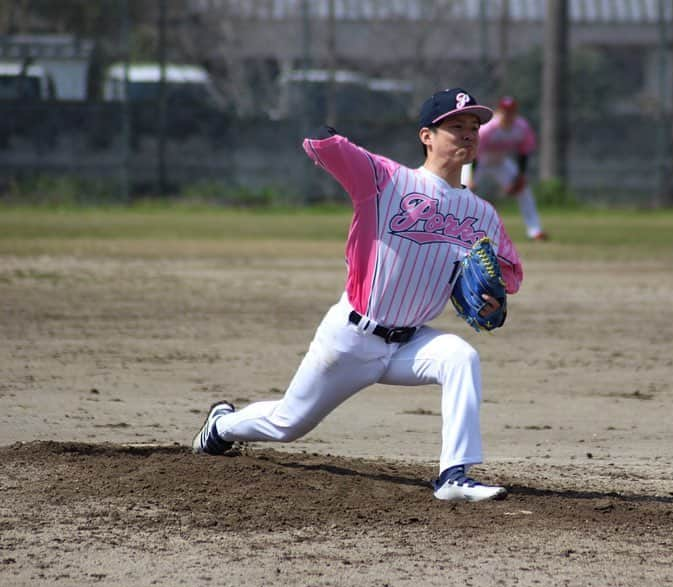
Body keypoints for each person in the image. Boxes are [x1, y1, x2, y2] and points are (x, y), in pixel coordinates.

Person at [192, 88, 524, 503]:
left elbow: (508, 275)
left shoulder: (483, 214)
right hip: (351, 339)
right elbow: (320, 144)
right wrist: (322, 124)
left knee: (461, 357)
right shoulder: (385, 179)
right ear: (427, 136)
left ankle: (453, 476)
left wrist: (494, 299)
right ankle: (222, 426)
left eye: (474, 127)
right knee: (287, 424)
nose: (468, 134)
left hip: (411, 344)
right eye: (455, 126)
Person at [463, 96, 547, 241]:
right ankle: (458, 230)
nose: (508, 115)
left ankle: (535, 230)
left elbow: (524, 152)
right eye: (505, 111)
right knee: (462, 190)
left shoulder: (521, 127)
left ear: (515, 113)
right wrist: (471, 178)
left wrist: (520, 176)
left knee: (524, 190)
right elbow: (473, 152)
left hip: (500, 162)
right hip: (477, 160)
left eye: (511, 112)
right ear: (499, 111)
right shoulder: (489, 127)